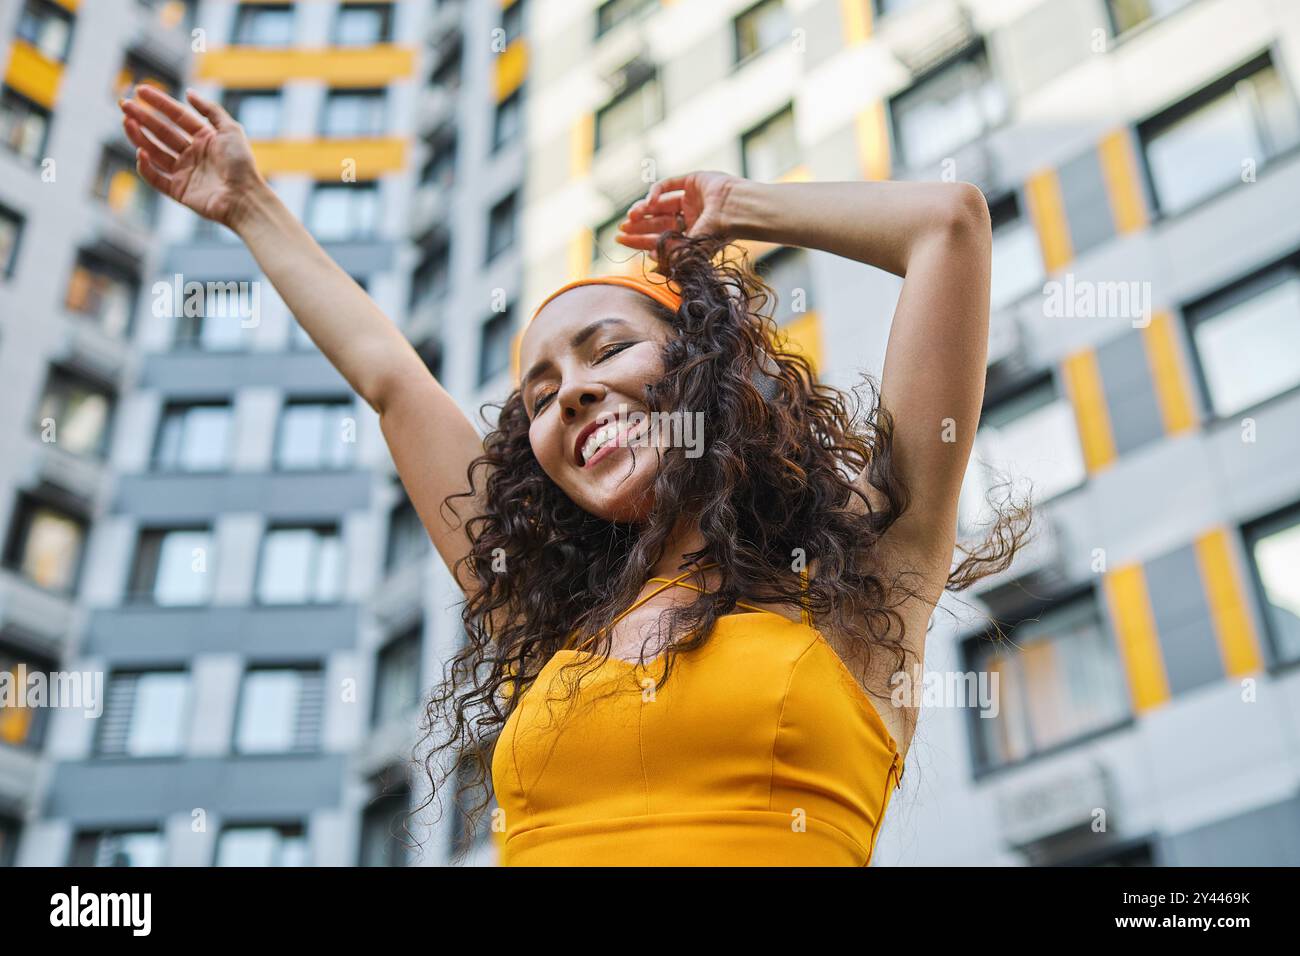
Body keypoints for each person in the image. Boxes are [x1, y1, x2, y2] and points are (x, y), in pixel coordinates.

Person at [119, 86, 1029, 866]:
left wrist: (739, 207)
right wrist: (248, 205)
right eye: (542, 393)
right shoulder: (549, 616)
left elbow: (947, 226)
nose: (574, 395)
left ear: (705, 368)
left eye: (609, 350)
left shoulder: (859, 579)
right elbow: (392, 380)